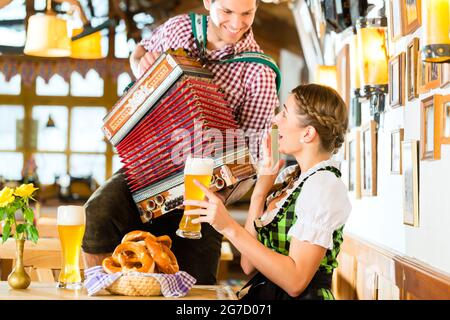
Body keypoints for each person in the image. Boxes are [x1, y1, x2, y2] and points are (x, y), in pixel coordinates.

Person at [81, 0, 279, 285]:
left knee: (196, 282)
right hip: (148, 167)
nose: (237, 24)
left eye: (247, 13)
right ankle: (102, 286)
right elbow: (140, 51)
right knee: (98, 212)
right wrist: (141, 66)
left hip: (204, 190)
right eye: (227, 11)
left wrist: (215, 200)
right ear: (208, 2)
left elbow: (250, 161)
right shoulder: (178, 28)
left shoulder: (259, 74)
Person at [183, 83, 352, 299]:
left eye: (285, 114)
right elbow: (248, 265)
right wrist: (260, 192)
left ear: (308, 133)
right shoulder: (291, 179)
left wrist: (228, 226)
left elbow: (295, 282)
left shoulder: (324, 185)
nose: (275, 120)